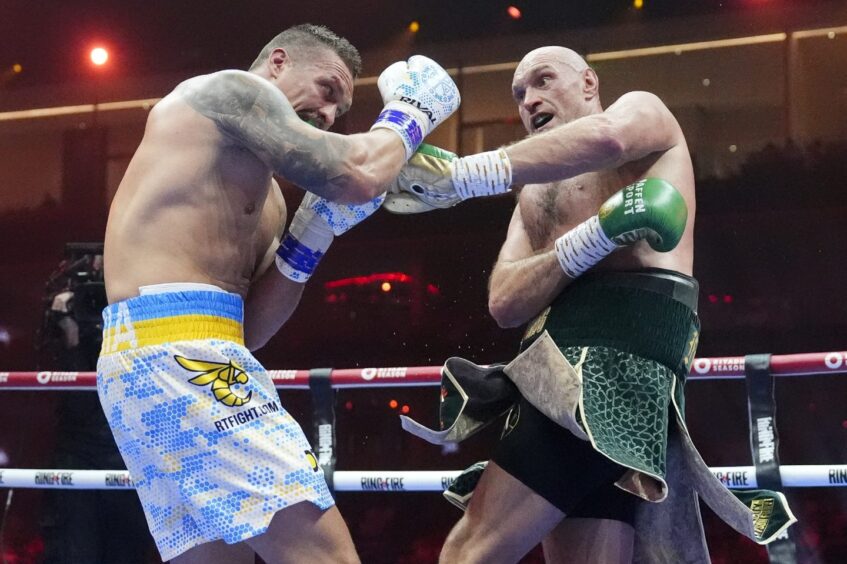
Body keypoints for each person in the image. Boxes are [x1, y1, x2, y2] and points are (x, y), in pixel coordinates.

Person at [391, 46, 795, 563]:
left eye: (542, 80)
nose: (529, 99)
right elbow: (504, 301)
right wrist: (596, 236)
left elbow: (608, 138)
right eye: (519, 94)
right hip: (556, 374)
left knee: (470, 549)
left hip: (615, 375)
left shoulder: (643, 114)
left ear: (588, 83)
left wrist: (467, 175)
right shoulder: (535, 193)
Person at [96, 24, 459, 563]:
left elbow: (253, 330)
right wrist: (410, 113)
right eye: (327, 90)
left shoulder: (269, 200)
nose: (332, 115)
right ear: (279, 62)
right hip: (181, 353)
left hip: (168, 360)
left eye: (341, 109)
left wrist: (313, 233)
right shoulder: (226, 91)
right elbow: (357, 171)